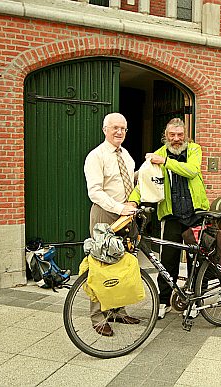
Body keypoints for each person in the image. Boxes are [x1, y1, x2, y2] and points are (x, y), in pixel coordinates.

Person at [129, 118, 209, 319]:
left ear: (185, 135)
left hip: (195, 214)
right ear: (165, 136)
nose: (176, 139)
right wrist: (132, 201)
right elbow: (145, 182)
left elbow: (192, 171)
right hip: (172, 216)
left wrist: (165, 162)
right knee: (168, 260)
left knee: (195, 260)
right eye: (172, 135)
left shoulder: (194, 150)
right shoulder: (159, 154)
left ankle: (195, 301)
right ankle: (164, 301)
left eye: (179, 135)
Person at [84, 112, 139, 336]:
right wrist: (119, 208)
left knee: (124, 263)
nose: (119, 132)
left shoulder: (126, 155)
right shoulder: (96, 156)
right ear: (104, 129)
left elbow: (130, 182)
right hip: (106, 215)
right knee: (102, 266)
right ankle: (98, 317)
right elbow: (94, 191)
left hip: (127, 215)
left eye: (123, 128)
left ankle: (118, 310)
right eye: (114, 127)